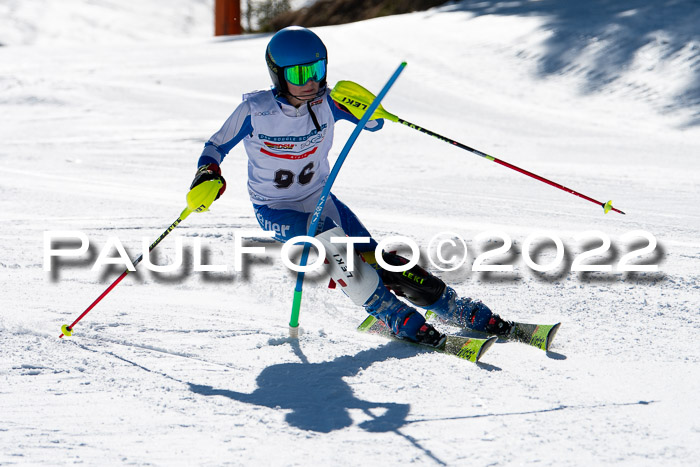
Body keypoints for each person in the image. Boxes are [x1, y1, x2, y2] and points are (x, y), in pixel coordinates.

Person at [188, 26, 513, 347]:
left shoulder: (328, 102)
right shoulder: (255, 110)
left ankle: (451, 306)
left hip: (319, 198)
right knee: (334, 243)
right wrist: (207, 173)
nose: (311, 81)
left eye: (316, 70)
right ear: (277, 75)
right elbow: (215, 147)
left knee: (376, 258)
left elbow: (373, 124)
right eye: (299, 75)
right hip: (275, 208)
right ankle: (390, 312)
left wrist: (366, 107)